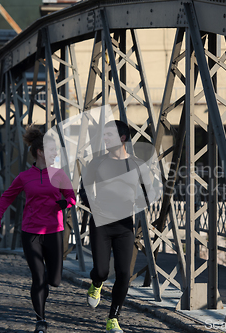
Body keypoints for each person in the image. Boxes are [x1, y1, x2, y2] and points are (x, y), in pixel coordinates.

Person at [0, 125, 76, 333]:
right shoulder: (24, 177)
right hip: (31, 233)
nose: (56, 153)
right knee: (38, 277)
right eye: (52, 150)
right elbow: (6, 197)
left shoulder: (59, 174)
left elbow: (71, 196)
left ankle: (45, 284)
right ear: (40, 152)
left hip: (54, 231)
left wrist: (67, 203)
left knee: (53, 281)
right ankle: (40, 321)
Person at [82, 120, 155, 333]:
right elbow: (84, 190)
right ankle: (97, 284)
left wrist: (141, 200)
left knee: (124, 273)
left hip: (124, 226)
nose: (104, 139)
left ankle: (113, 318)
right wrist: (92, 203)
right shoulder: (96, 163)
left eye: (108, 135)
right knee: (103, 271)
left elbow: (148, 192)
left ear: (122, 138)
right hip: (101, 224)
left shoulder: (137, 164)